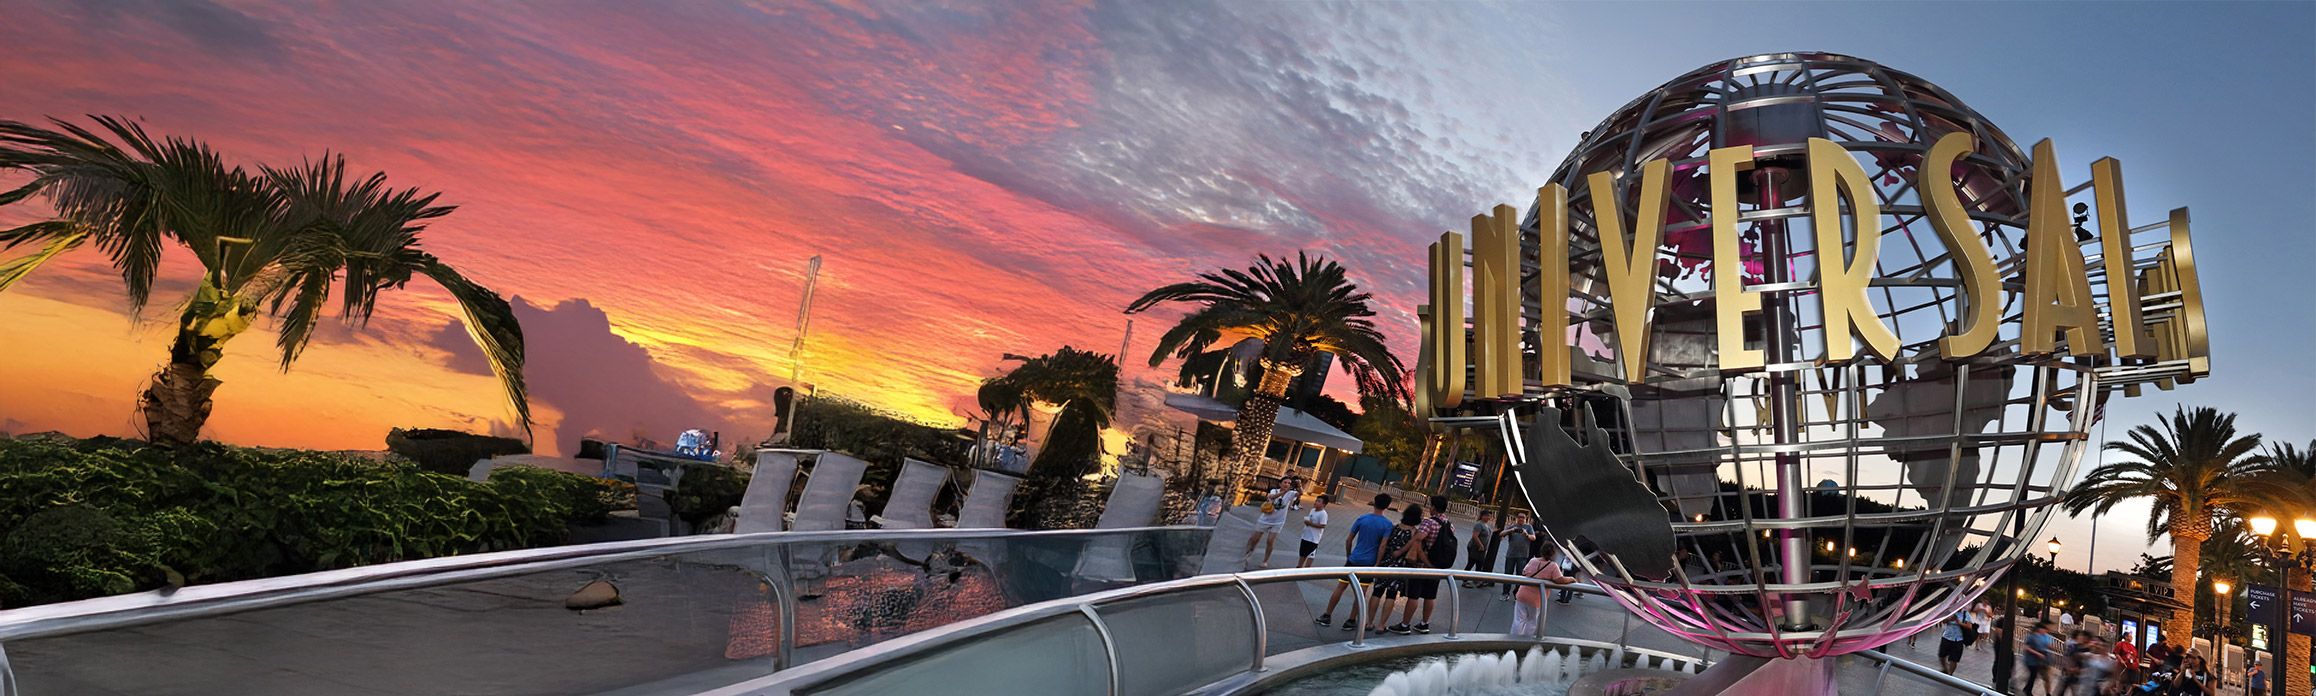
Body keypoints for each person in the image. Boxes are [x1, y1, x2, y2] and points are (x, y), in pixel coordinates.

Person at [1316, 494, 1393, 630]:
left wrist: (1349, 555)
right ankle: (1351, 620)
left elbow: (1349, 540)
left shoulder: (1362, 518)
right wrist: (1377, 563)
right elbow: (1382, 546)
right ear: (1387, 506)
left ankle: (1327, 615)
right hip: (1369, 563)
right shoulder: (1387, 524)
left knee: (1340, 587)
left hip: (1354, 559)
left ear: (1373, 502)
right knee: (1361, 592)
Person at [1391, 495, 1456, 635]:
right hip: (1438, 567)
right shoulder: (1449, 524)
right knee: (1430, 596)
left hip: (1422, 566)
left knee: (1413, 596)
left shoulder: (1429, 522)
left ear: (1433, 507)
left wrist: (1405, 550)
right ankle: (1424, 623)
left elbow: (1418, 539)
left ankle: (1405, 624)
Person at [1360, 504, 1425, 635]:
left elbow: (1383, 544)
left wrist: (1378, 562)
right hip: (1399, 566)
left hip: (1385, 563)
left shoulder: (1393, 527)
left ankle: (1369, 622)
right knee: (1391, 595)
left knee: (1377, 592)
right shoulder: (1414, 533)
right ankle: (1381, 625)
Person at [1511, 543, 1577, 635]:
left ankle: (1513, 640)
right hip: (1536, 599)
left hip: (1522, 594)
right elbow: (1560, 579)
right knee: (1531, 621)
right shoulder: (1553, 566)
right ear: (1553, 554)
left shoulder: (1533, 560)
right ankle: (1525, 642)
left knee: (1518, 619)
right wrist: (1571, 579)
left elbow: (1524, 572)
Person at [1245, 485, 1293, 568]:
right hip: (1265, 519)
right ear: (1280, 483)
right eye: (1285, 482)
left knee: (1270, 541)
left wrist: (1299, 484)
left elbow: (1300, 493)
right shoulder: (1274, 491)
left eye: (1289, 483)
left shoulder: (1291, 493)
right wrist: (1284, 492)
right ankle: (1246, 555)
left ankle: (1265, 561)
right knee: (1254, 539)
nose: (1287, 484)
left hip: (1278, 522)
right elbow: (1272, 497)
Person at [1497, 512, 1537, 599]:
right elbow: (1501, 534)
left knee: (1520, 575)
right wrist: (1511, 530)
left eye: (1523, 517)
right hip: (1511, 554)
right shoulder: (1513, 526)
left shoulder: (1528, 527)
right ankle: (1505, 593)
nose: (1521, 519)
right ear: (1517, 518)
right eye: (1519, 517)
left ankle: (1517, 594)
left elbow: (1533, 538)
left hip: (1523, 555)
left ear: (1525, 519)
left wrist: (1526, 534)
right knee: (1508, 574)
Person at [2023, 621, 2059, 696]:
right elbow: (2026, 647)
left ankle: (2028, 689)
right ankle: (2027, 690)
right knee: (2033, 675)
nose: (2046, 630)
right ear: (2039, 629)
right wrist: (2038, 653)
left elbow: (2048, 645)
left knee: (2037, 676)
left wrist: (2053, 648)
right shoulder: (2032, 636)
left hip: (2042, 660)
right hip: (2032, 660)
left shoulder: (2045, 636)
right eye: (2044, 629)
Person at [1460, 510, 1495, 588]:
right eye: (1486, 515)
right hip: (1475, 547)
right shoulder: (1479, 524)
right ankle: (1464, 580)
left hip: (1481, 549)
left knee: (1479, 564)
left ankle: (1477, 580)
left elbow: (1489, 533)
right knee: (1471, 563)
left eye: (1489, 516)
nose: (1488, 517)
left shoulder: (1486, 525)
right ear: (1482, 516)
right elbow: (1475, 536)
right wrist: (1480, 545)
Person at [1295, 494, 1331, 568]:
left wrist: (1310, 524)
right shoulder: (1312, 510)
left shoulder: (1323, 514)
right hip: (1306, 536)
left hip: (1313, 538)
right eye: (1316, 500)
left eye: (1319, 501)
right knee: (1302, 553)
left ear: (1323, 504)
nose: (1316, 502)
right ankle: (1299, 566)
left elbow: (1323, 525)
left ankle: (1306, 568)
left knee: (1309, 554)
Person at [1937, 608, 1971, 675]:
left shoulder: (1965, 614)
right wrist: (1949, 619)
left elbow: (1969, 626)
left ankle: (1950, 674)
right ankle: (1945, 669)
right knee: (1941, 655)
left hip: (1958, 639)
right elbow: (1943, 621)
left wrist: (1959, 622)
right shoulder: (1950, 612)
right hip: (1946, 636)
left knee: (1954, 659)